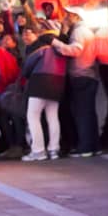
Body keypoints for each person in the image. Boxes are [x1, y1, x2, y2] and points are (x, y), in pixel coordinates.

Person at [53, 9, 101, 157]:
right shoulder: (85, 30)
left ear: (75, 16)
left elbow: (75, 50)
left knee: (82, 114)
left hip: (81, 75)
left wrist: (55, 43)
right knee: (88, 113)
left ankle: (85, 148)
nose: (65, 17)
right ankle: (92, 146)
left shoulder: (79, 31)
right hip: (88, 75)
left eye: (67, 14)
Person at [21, 27, 65, 161]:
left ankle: (38, 151)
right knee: (52, 116)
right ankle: (54, 149)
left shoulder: (41, 49)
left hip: (40, 81)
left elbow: (27, 67)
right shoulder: (62, 50)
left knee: (33, 116)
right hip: (58, 82)